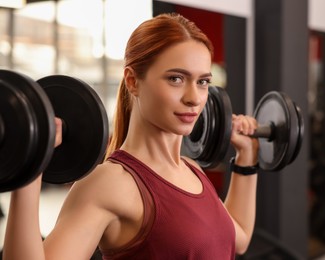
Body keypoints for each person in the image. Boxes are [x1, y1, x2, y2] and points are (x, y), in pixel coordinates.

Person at [3, 13, 259, 260]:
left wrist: (246, 157)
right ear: (133, 80)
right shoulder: (109, 183)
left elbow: (240, 238)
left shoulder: (193, 171)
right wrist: (30, 165)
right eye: (176, 78)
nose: (194, 98)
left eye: (202, 82)